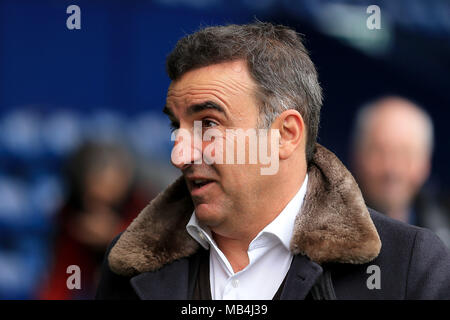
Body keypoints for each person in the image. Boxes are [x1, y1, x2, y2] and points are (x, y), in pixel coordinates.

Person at [96, 22, 450, 300]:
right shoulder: (127, 267)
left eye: (209, 124)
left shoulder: (409, 267)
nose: (179, 154)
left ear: (286, 134)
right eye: (178, 126)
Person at [38, 142, 150, 299]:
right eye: (95, 202)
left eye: (110, 205)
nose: (101, 215)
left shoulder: (146, 203)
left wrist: (115, 235)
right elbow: (62, 282)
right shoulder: (74, 223)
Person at [351, 96, 450, 247]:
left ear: (425, 164)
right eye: (379, 152)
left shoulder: (444, 232)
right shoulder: (321, 230)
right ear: (358, 156)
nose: (392, 169)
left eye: (405, 154)